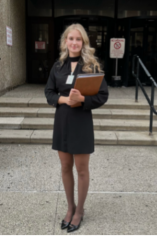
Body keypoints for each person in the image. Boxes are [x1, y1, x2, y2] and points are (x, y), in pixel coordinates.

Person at [44, 23, 109, 233]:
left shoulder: (92, 66)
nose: (74, 42)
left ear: (84, 43)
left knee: (81, 170)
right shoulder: (57, 67)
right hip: (62, 121)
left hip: (81, 122)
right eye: (70, 38)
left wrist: (82, 101)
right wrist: (64, 99)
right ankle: (70, 207)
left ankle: (79, 210)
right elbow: (49, 93)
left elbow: (102, 95)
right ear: (65, 42)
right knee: (65, 168)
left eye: (78, 39)